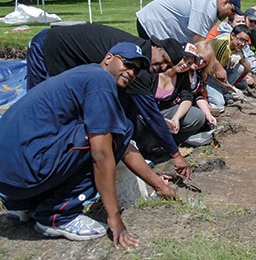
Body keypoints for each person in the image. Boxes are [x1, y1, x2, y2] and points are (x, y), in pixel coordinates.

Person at [0, 42, 177, 248]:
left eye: (137, 70)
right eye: (128, 64)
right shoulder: (100, 80)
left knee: (113, 131)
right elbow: (102, 154)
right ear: (109, 58)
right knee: (113, 134)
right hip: (23, 175)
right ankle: (58, 214)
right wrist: (115, 218)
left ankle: (27, 205)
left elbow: (127, 149)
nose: (131, 72)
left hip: (10, 182)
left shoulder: (86, 75)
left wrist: (158, 185)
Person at [26, 24, 190, 178]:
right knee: (42, 111)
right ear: (156, 46)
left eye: (168, 66)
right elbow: (151, 115)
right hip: (49, 46)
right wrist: (175, 154)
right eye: (163, 59)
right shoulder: (137, 62)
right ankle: (32, 166)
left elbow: (128, 106)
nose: (162, 66)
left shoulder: (138, 63)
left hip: (73, 61)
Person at [135, 43, 205, 151]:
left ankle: (165, 144)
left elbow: (187, 97)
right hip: (143, 111)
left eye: (189, 63)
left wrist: (176, 118)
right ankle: (142, 146)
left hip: (164, 111)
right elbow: (140, 100)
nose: (185, 65)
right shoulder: (154, 70)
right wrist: (159, 119)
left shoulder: (182, 75)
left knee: (197, 116)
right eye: (184, 59)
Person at [136, 0, 243, 44]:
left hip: (156, 25)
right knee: (158, 61)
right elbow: (199, 43)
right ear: (225, 2)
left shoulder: (212, 8)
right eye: (232, 10)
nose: (231, 15)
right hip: (150, 23)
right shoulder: (206, 9)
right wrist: (216, 67)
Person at [207, 24, 252, 110]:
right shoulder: (223, 45)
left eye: (245, 41)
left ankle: (223, 92)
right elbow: (214, 73)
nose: (242, 43)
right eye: (241, 39)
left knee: (240, 68)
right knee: (219, 106)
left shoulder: (237, 46)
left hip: (219, 73)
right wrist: (232, 88)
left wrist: (241, 57)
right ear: (232, 36)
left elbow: (247, 68)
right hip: (207, 75)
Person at [189, 40, 218, 125]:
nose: (200, 63)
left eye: (204, 62)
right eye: (199, 58)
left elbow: (200, 96)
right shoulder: (181, 70)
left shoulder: (200, 75)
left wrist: (208, 114)